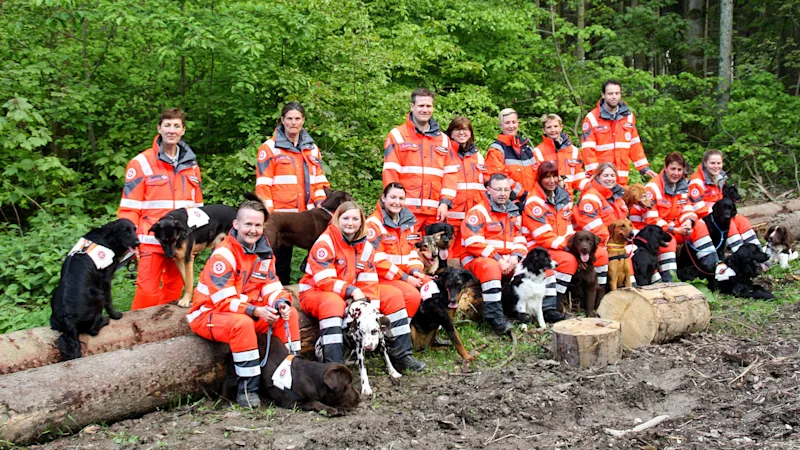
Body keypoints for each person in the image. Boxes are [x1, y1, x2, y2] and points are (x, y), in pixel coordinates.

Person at [186, 200, 301, 408]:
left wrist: (281, 303)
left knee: (290, 314)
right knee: (242, 324)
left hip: (246, 311)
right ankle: (248, 389)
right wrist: (256, 310)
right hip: (209, 314)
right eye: (248, 224)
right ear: (236, 225)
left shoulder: (264, 251)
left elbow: (272, 286)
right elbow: (223, 301)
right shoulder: (224, 254)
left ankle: (290, 376)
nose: (253, 230)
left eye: (258, 225)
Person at [299, 201, 425, 372]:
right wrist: (352, 291)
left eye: (355, 219)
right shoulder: (325, 242)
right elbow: (324, 280)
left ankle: (401, 356)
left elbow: (369, 279)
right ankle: (335, 367)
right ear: (337, 219)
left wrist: (370, 310)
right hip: (317, 291)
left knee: (394, 296)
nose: (350, 223)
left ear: (361, 221)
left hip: (351, 290)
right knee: (333, 303)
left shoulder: (365, 245)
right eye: (345, 218)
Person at [118, 108, 203, 310]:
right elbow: (129, 208)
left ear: (183, 130)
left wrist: (196, 239)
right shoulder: (141, 163)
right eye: (167, 125)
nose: (171, 130)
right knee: (147, 291)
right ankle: (138, 336)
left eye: (176, 126)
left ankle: (166, 337)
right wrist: (131, 242)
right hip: (150, 241)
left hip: (181, 241)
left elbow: (197, 206)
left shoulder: (191, 165)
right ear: (159, 128)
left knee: (174, 290)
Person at [254, 102, 330, 285]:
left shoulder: (312, 148)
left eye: (297, 118)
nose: (293, 123)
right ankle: (277, 293)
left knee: (317, 257)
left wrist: (321, 203)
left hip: (309, 214)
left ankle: (310, 290)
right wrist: (268, 214)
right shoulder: (270, 148)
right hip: (282, 215)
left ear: (303, 121)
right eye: (289, 119)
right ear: (282, 120)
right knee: (279, 262)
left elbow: (319, 179)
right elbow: (263, 183)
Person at [461, 173, 528, 334]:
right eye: (498, 189)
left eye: (506, 189)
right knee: (491, 267)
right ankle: (494, 317)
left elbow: (520, 237)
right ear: (489, 189)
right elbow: (473, 242)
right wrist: (498, 259)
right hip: (478, 259)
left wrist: (515, 256)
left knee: (531, 267)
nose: (503, 193)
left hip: (506, 259)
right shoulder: (478, 212)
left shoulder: (512, 210)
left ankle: (523, 310)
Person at [383, 88, 453, 231]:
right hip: (406, 210)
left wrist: (445, 202)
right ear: (412, 107)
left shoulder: (444, 140)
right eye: (421, 106)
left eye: (428, 106)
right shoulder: (397, 135)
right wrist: (394, 203)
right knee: (405, 251)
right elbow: (390, 172)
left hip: (435, 212)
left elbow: (450, 175)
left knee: (434, 253)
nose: (425, 110)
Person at [520, 161, 575, 323]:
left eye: (555, 176)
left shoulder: (563, 196)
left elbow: (568, 226)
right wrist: (566, 246)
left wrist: (572, 245)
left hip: (556, 245)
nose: (551, 181)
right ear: (539, 179)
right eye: (547, 177)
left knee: (571, 261)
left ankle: (554, 304)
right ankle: (548, 308)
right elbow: (541, 235)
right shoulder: (534, 202)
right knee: (563, 261)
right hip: (537, 247)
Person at [365, 183, 426, 318]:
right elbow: (376, 262)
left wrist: (416, 271)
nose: (397, 202)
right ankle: (402, 334)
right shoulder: (374, 224)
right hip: (379, 278)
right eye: (393, 197)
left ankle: (422, 334)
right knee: (412, 296)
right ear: (383, 198)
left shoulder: (407, 223)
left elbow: (412, 254)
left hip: (401, 275)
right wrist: (405, 277)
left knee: (431, 288)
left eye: (401, 199)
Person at [581, 80, 657, 186]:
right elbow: (588, 151)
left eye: (617, 93)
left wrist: (643, 167)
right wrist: (596, 174)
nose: (614, 97)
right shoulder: (592, 118)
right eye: (610, 94)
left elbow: (635, 144)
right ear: (603, 95)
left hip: (621, 178)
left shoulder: (629, 117)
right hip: (601, 178)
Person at [688, 149, 759, 251]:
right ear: (705, 163)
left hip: (718, 213)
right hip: (703, 217)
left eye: (719, 163)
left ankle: (758, 254)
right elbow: (696, 206)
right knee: (729, 224)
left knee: (742, 221)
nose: (716, 166)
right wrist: (718, 214)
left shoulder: (719, 178)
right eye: (712, 163)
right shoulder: (697, 180)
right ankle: (740, 256)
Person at [439, 116, 489, 259]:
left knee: (470, 251)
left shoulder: (478, 156)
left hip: (473, 215)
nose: (462, 133)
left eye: (465, 129)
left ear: (470, 133)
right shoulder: (445, 154)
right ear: (450, 133)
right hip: (451, 214)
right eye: (457, 130)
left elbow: (485, 182)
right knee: (449, 253)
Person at [574, 162, 630, 288]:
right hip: (595, 243)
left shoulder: (616, 197)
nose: (610, 179)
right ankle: (604, 292)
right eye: (606, 175)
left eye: (612, 175)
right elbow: (593, 228)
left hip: (615, 241)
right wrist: (613, 242)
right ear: (597, 177)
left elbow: (624, 223)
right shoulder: (591, 197)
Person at [644, 152, 698, 282]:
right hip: (651, 230)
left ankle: (711, 271)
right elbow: (651, 220)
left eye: (679, 169)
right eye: (673, 169)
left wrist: (688, 222)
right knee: (669, 239)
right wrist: (674, 229)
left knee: (700, 227)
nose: (676, 173)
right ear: (665, 167)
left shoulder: (682, 185)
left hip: (672, 226)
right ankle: (670, 280)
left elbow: (687, 208)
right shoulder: (653, 188)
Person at [486, 108, 538, 204]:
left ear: (518, 123)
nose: (511, 126)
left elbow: (539, 173)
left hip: (533, 201)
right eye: (507, 123)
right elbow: (499, 180)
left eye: (514, 122)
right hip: (511, 203)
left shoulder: (527, 148)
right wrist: (524, 195)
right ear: (500, 125)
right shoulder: (496, 150)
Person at [532, 114, 588, 194]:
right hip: (547, 199)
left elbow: (579, 177)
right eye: (549, 127)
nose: (553, 130)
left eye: (555, 126)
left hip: (568, 200)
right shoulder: (538, 152)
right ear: (544, 130)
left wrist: (590, 188)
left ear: (561, 127)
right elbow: (536, 179)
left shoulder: (574, 151)